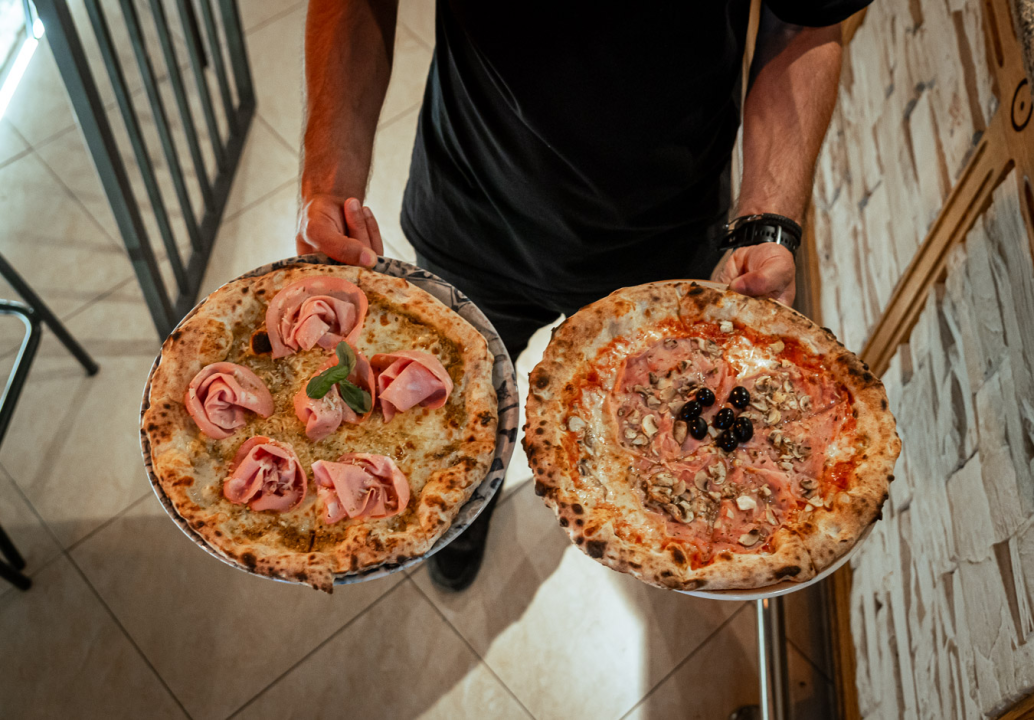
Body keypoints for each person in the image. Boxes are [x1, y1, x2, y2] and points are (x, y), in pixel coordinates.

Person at [296, 0, 867, 591]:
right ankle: (463, 510)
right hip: (472, 205)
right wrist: (329, 185)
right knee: (451, 425)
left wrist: (766, 225)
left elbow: (803, 18)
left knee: (647, 466)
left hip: (664, 247)